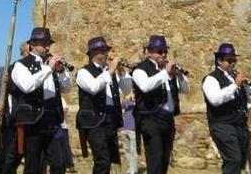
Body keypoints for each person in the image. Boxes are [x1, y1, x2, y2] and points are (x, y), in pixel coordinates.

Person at [3, 27, 72, 174]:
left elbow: (67, 88)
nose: (47, 47)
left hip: (52, 121)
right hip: (32, 121)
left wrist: (61, 71)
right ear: (32, 45)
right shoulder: (20, 65)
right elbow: (28, 86)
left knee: (59, 165)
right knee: (33, 166)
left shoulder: (51, 66)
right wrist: (49, 69)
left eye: (48, 43)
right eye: (43, 43)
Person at [131, 35, 191, 174]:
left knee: (164, 162)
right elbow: (145, 86)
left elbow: (186, 90)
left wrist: (181, 76)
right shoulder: (140, 70)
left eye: (165, 51)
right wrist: (165, 72)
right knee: (155, 161)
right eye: (159, 51)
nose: (163, 55)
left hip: (168, 120)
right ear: (149, 52)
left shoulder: (168, 71)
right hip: (150, 119)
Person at [75, 36, 132, 174]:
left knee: (111, 160)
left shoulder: (110, 72)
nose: (107, 54)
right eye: (103, 51)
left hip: (110, 119)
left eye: (106, 51)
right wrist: (111, 70)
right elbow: (93, 87)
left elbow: (127, 89)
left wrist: (122, 73)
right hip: (93, 121)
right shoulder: (83, 72)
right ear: (93, 53)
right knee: (102, 160)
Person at [202, 43, 251, 174]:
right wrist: (235, 85)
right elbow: (215, 99)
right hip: (222, 124)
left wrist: (248, 88)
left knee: (240, 161)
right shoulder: (211, 79)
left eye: (234, 60)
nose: (233, 64)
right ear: (219, 60)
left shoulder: (233, 78)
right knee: (233, 159)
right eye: (229, 60)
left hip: (239, 125)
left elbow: (250, 100)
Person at [119, 93, 138, 174]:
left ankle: (134, 170)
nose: (133, 95)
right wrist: (124, 97)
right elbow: (119, 107)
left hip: (133, 130)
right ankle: (131, 168)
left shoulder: (138, 104)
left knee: (133, 150)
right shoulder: (126, 102)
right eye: (132, 93)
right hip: (124, 129)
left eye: (134, 93)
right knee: (127, 150)